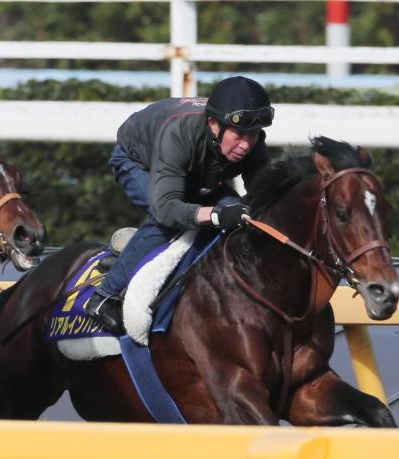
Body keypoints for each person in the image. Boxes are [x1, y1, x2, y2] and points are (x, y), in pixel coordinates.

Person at [85, 75, 275, 334]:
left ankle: (136, 251)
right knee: (166, 223)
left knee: (240, 219)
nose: (246, 145)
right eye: (239, 134)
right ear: (213, 125)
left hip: (193, 173)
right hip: (139, 162)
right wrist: (217, 215)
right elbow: (167, 209)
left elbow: (266, 198)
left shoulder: (252, 144)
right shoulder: (179, 134)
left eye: (253, 135)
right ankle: (103, 296)